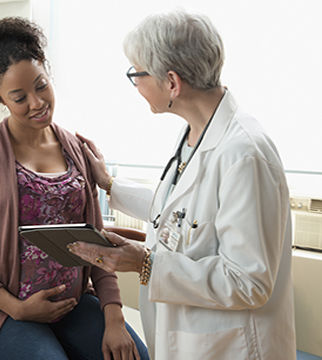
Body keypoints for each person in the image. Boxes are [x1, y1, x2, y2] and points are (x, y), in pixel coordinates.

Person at [70, 11, 296, 360]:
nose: (137, 86)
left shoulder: (244, 154)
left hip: (234, 349)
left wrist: (146, 264)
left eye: (137, 74)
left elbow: (249, 282)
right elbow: (186, 213)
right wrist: (109, 184)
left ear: (172, 82)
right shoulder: (196, 134)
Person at [0, 17, 149, 360]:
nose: (37, 103)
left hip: (74, 303)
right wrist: (15, 308)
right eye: (19, 97)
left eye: (41, 86)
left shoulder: (76, 148)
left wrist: (114, 315)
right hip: (6, 311)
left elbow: (95, 239)